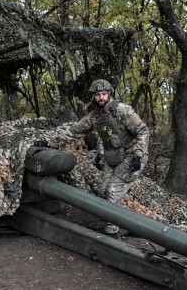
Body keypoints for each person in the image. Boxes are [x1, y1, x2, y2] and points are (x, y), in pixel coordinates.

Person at [56, 79, 150, 236]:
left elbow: (143, 131)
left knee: (113, 192)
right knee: (103, 190)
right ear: (93, 96)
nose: (101, 98)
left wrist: (138, 155)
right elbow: (73, 132)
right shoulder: (94, 117)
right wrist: (49, 141)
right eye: (98, 95)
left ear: (109, 94)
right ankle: (128, 223)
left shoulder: (122, 110)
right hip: (113, 156)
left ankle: (112, 233)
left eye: (104, 94)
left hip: (132, 156)